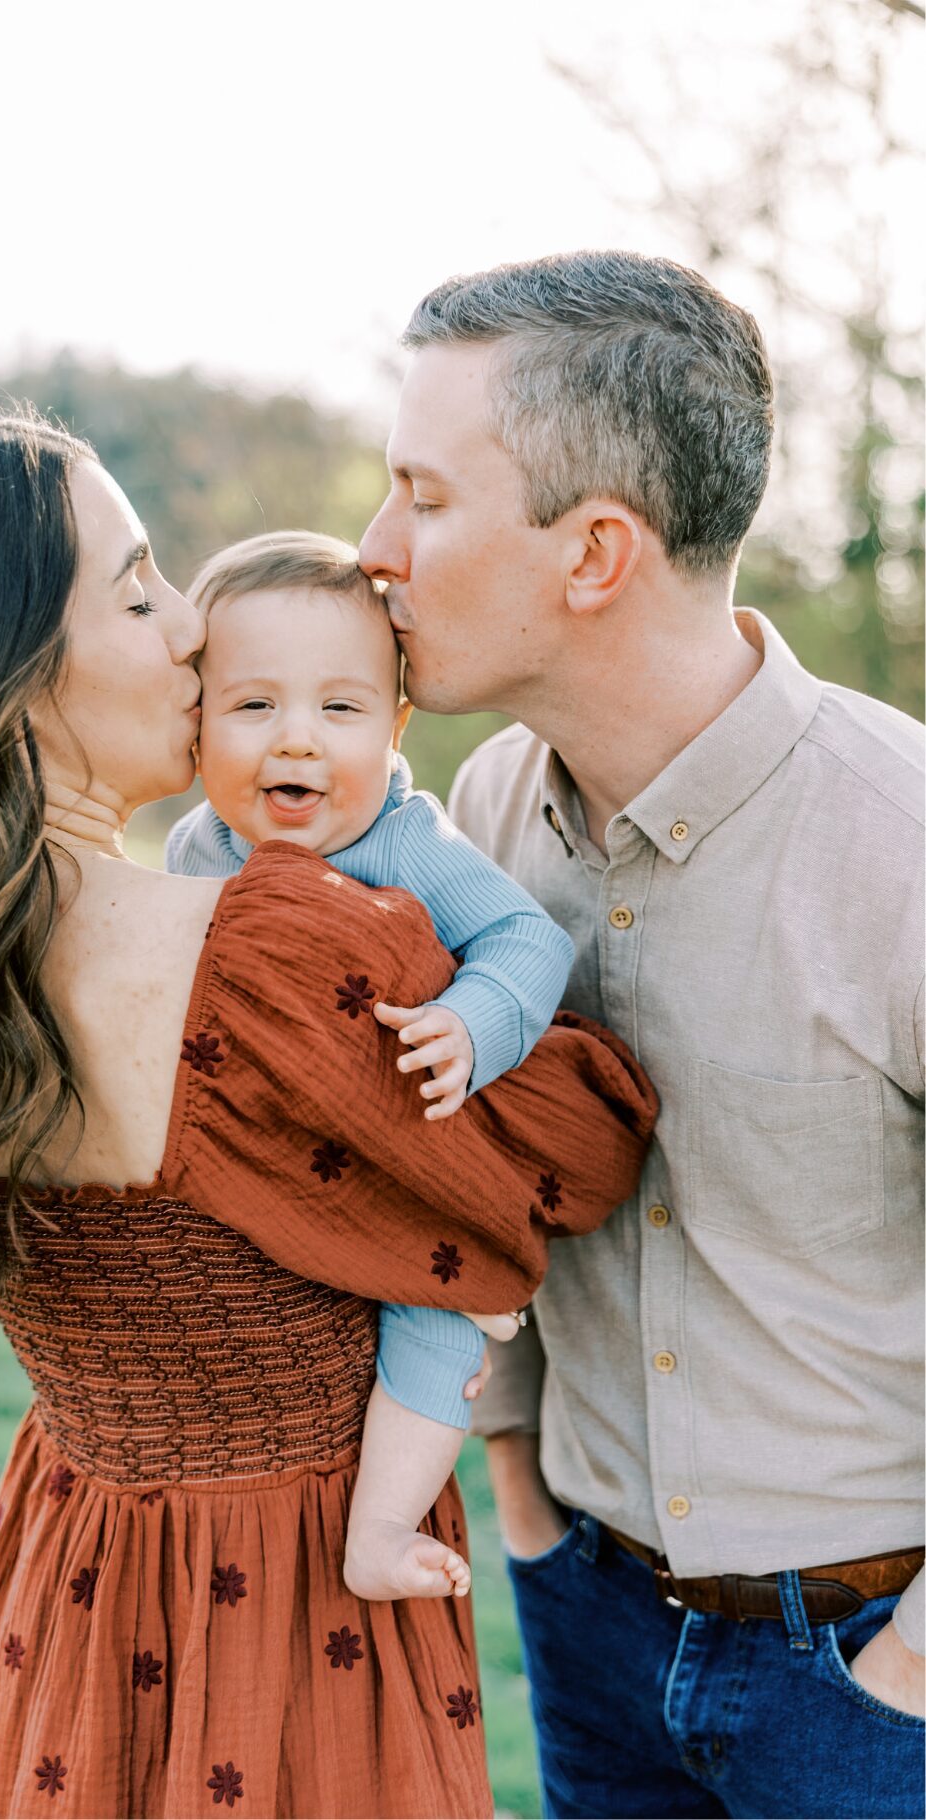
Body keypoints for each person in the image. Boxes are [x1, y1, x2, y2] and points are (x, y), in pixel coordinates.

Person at [0, 406, 658, 1819]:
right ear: (10, 668)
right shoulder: (269, 950)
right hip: (299, 1626)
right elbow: (576, 1150)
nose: (189, 632)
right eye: (141, 588)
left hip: (72, 1582)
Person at [359, 250, 926, 1820]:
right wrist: (525, 1499)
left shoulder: (908, 851)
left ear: (592, 550)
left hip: (876, 1688)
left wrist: (904, 1682)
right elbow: (488, 1190)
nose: (374, 551)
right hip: (593, 1624)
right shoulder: (477, 819)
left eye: (423, 494)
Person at [165, 528, 575, 1604]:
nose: (295, 741)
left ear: (394, 728)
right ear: (195, 719)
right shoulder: (194, 853)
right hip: (279, 1154)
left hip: (406, 1153)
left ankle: (382, 1530)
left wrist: (472, 1024)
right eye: (253, 706)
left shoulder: (404, 842)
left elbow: (530, 942)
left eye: (339, 710)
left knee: (428, 1307)